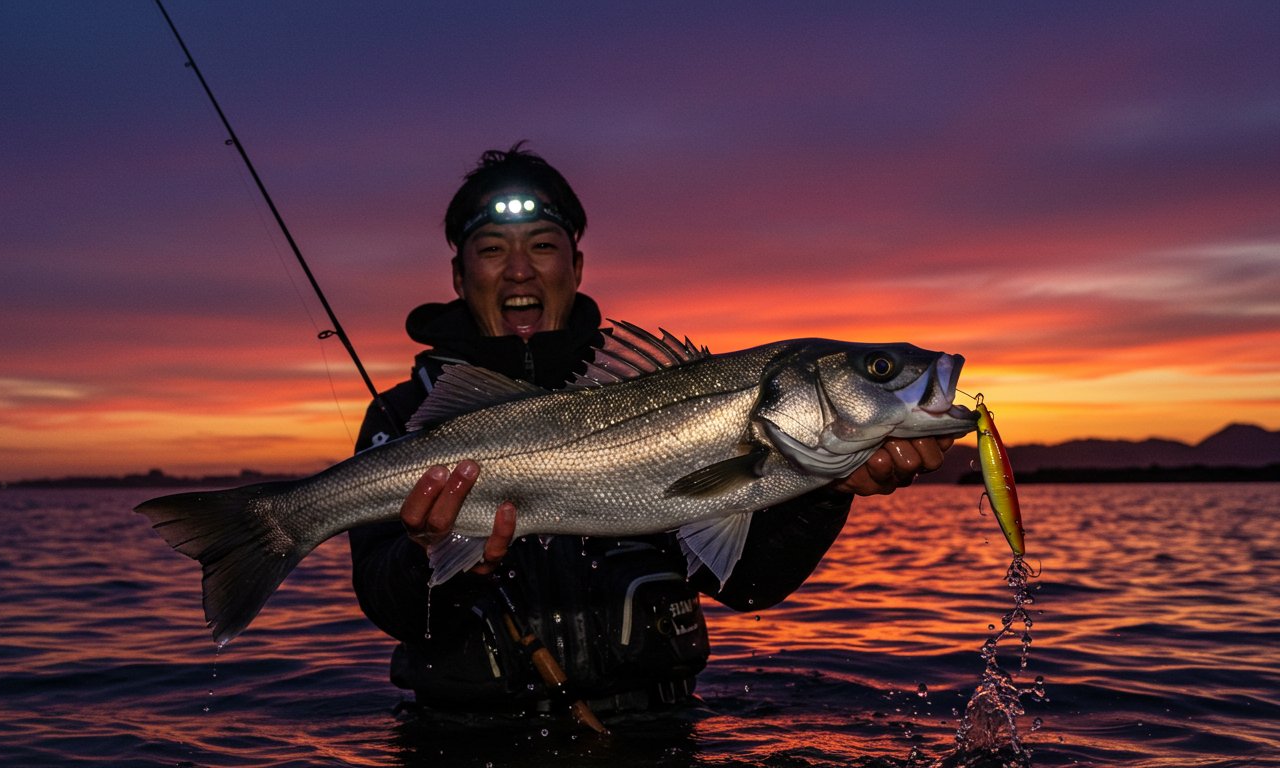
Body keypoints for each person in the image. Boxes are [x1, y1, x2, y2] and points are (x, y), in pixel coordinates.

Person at [348, 143, 953, 718]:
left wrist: (824, 492)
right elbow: (388, 606)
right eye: (491, 251)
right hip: (462, 740)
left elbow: (746, 587)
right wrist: (434, 555)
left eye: (541, 245)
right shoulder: (404, 418)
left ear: (576, 265)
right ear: (458, 276)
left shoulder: (656, 387)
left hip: (660, 730)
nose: (519, 272)